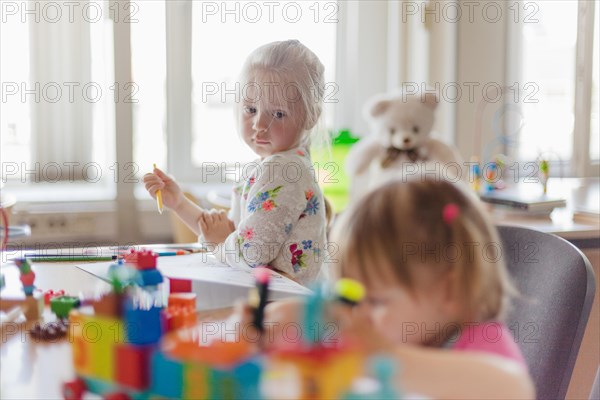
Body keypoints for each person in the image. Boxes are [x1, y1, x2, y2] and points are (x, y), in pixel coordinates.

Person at [240, 178, 534, 398]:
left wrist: (376, 355)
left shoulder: (480, 343)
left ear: (450, 291)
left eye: (378, 301)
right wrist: (280, 330)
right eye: (351, 296)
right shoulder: (385, 332)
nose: (359, 314)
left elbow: (513, 389)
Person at [143, 40, 328, 286]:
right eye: (251, 109)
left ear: (311, 115)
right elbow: (237, 234)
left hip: (284, 308)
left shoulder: (283, 170)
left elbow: (249, 252)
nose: (260, 124)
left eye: (278, 114)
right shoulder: (273, 165)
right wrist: (179, 203)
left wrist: (219, 242)